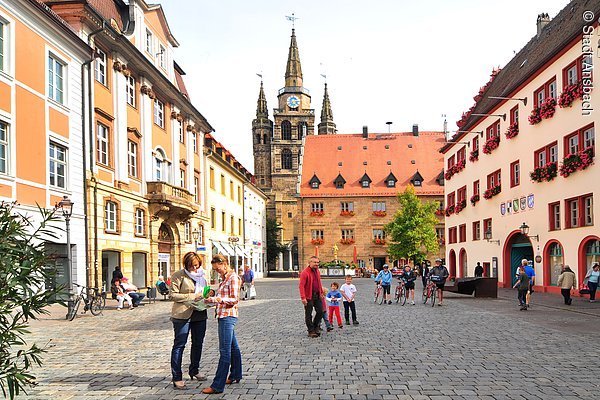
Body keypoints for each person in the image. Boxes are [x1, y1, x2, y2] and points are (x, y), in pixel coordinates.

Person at [201, 254, 242, 395]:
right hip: (223, 315)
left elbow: (234, 299)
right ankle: (236, 374)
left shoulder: (233, 278)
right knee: (233, 347)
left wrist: (217, 299)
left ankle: (217, 385)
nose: (217, 271)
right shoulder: (224, 278)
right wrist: (212, 294)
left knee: (224, 351)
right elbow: (223, 295)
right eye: (215, 270)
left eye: (218, 269)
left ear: (224, 264)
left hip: (228, 316)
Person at [169, 252, 209, 390]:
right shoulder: (178, 275)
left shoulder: (202, 275)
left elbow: (205, 290)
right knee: (179, 345)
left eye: (196, 266)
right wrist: (193, 296)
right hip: (182, 314)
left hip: (200, 312)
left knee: (198, 343)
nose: (194, 269)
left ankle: (194, 370)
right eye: (191, 266)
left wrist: (209, 294)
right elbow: (172, 295)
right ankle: (177, 377)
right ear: (186, 265)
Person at [298, 256, 324, 338]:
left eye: (317, 262)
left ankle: (315, 326)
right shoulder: (305, 273)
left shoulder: (317, 271)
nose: (317, 264)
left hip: (317, 295)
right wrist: (303, 298)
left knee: (320, 311)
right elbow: (301, 286)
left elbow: (319, 282)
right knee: (308, 314)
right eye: (315, 262)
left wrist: (321, 292)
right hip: (308, 296)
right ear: (310, 263)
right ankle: (311, 330)